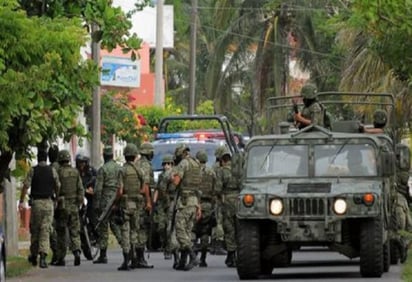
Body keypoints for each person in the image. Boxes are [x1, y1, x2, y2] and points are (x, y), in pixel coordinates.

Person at [19, 149, 60, 268]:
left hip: (36, 203)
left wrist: (21, 200)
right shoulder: (52, 170)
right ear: (46, 158)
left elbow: (26, 186)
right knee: (45, 230)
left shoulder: (33, 170)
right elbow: (58, 185)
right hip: (48, 203)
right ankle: (43, 257)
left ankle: (34, 255)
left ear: (38, 158)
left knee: (35, 231)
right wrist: (56, 198)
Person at [116, 143, 152, 271]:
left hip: (125, 204)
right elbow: (144, 188)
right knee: (134, 231)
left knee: (125, 231)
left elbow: (119, 191)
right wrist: (146, 201)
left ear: (125, 156)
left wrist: (116, 202)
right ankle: (135, 258)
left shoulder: (122, 170)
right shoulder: (140, 170)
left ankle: (126, 260)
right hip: (137, 204)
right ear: (135, 155)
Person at [171, 143, 202, 271]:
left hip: (184, 203)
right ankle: (183, 262)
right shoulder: (197, 164)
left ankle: (193, 256)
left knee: (180, 231)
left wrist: (171, 175)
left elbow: (176, 182)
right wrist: (198, 206)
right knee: (188, 232)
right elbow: (198, 187)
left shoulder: (184, 163)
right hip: (194, 202)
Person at [53, 150, 84, 266]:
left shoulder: (58, 172)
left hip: (63, 206)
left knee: (61, 232)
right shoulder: (75, 172)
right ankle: (76, 251)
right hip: (74, 205)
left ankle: (61, 258)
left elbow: (56, 188)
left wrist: (56, 200)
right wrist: (80, 201)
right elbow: (80, 188)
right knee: (75, 231)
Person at [93, 146, 123, 264]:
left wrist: (96, 205)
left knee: (103, 228)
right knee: (116, 226)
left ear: (104, 156)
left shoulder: (103, 169)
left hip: (105, 201)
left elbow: (98, 189)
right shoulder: (119, 168)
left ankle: (103, 255)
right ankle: (127, 248)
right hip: (117, 199)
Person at [216, 148, 240, 267]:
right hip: (240, 201)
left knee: (229, 228)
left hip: (227, 201)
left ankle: (231, 255)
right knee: (239, 228)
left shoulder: (222, 171)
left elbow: (218, 189)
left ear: (222, 160)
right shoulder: (239, 170)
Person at [134, 142, 155, 268]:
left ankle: (135, 257)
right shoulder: (146, 165)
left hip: (135, 200)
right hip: (142, 200)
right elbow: (146, 186)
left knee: (136, 227)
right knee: (142, 228)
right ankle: (140, 258)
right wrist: (148, 202)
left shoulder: (136, 163)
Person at [194, 150, 217, 267]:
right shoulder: (211, 172)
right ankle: (203, 259)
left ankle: (192, 255)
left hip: (195, 203)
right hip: (208, 204)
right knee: (205, 232)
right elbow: (215, 190)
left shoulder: (194, 172)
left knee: (193, 230)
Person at [153, 154, 177, 261]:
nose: (167, 166)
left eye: (169, 164)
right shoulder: (161, 176)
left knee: (169, 228)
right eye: (165, 164)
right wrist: (153, 202)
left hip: (172, 203)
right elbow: (158, 189)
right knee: (161, 227)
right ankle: (165, 244)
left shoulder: (175, 174)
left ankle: (169, 249)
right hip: (162, 204)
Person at [393, 143, 412, 263]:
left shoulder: (403, 172)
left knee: (407, 227)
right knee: (398, 227)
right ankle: (401, 245)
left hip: (403, 200)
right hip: (397, 201)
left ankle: (403, 245)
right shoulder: (392, 170)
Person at [210, 146, 226, 256]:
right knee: (219, 221)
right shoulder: (219, 169)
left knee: (216, 221)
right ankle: (219, 244)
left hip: (214, 197)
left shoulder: (213, 168)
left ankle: (214, 244)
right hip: (219, 197)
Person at [75, 153, 97, 226]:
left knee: (93, 219)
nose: (81, 164)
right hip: (79, 198)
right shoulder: (75, 172)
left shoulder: (92, 172)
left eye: (83, 162)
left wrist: (93, 189)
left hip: (90, 199)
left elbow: (97, 182)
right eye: (79, 162)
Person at [47, 144, 60, 265]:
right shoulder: (63, 167)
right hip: (65, 200)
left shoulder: (50, 169)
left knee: (53, 228)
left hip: (53, 201)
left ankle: (56, 253)